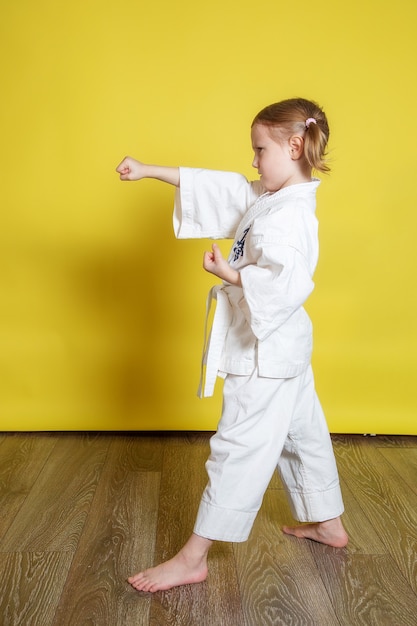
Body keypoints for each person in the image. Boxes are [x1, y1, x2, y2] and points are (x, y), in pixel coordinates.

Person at [116, 97, 348, 593]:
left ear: (294, 145)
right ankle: (328, 523)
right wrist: (151, 170)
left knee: (238, 446)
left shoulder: (289, 219)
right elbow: (222, 188)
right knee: (301, 434)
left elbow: (287, 285)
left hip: (264, 352)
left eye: (259, 149)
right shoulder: (274, 197)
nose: (254, 160)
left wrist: (233, 277)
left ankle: (193, 556)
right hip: (287, 349)